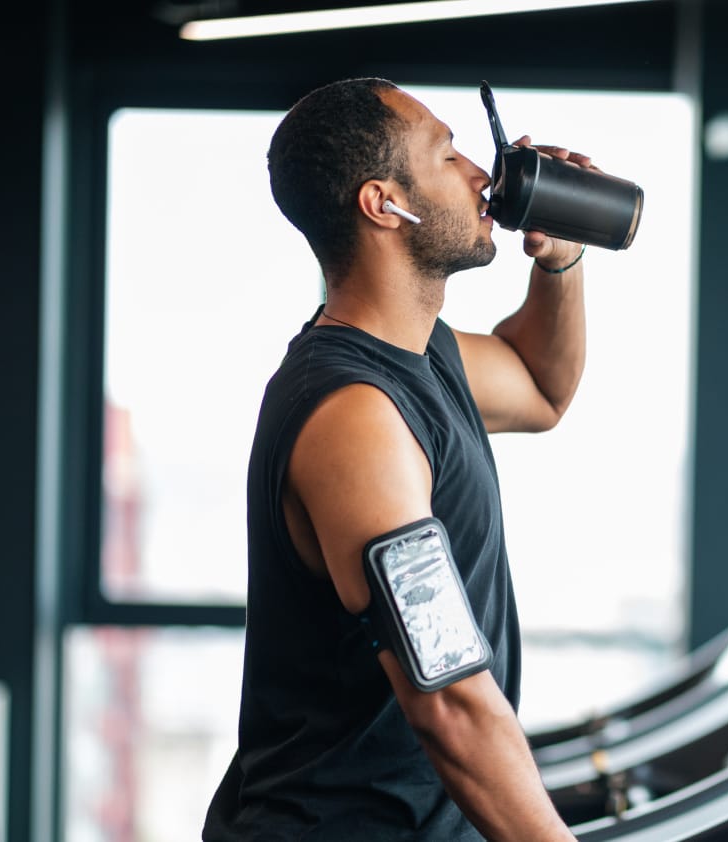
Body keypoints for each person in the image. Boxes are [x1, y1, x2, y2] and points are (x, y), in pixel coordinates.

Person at [203, 77, 590, 840]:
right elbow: (446, 697)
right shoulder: (355, 419)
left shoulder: (422, 358)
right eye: (448, 154)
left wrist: (561, 261)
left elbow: (542, 387)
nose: (483, 174)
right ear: (384, 204)